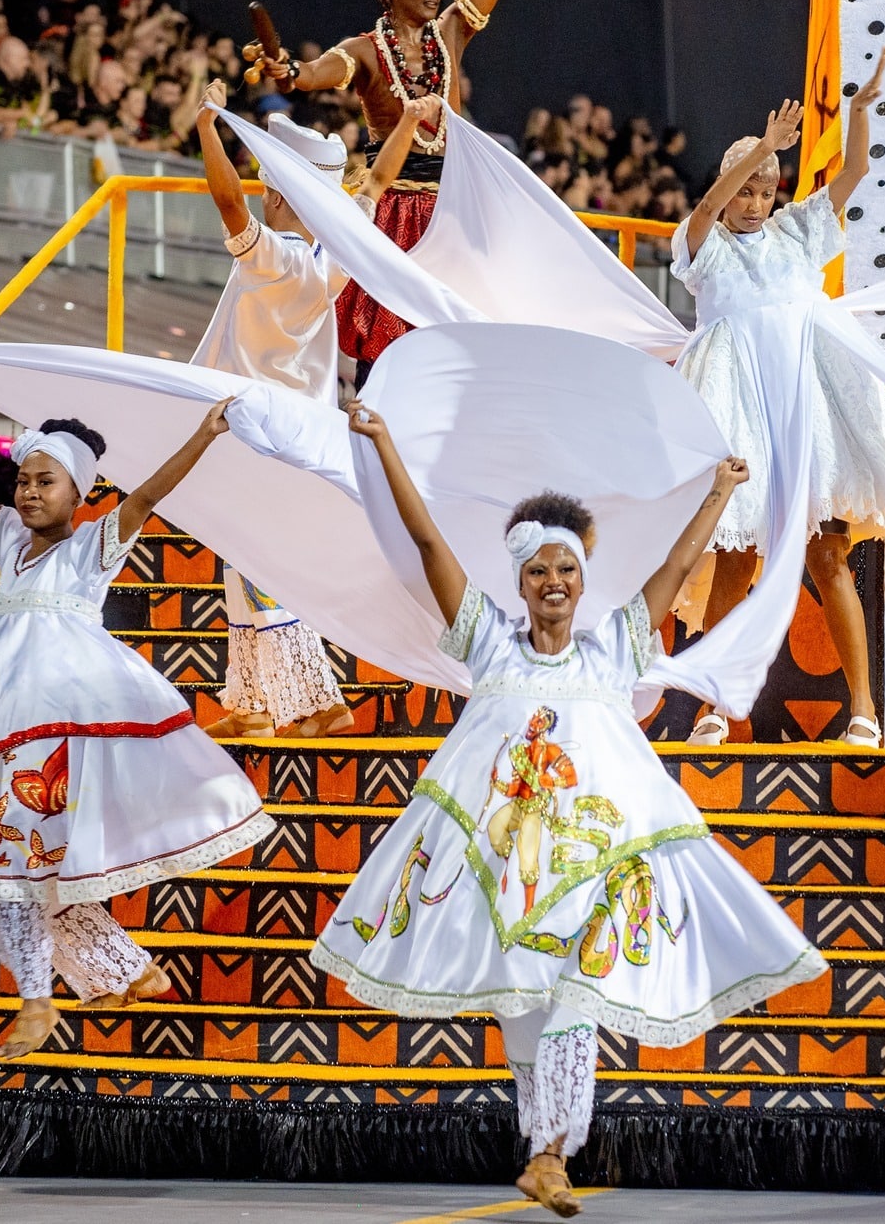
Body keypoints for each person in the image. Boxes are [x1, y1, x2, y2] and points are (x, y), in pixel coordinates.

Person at [313, 403, 824, 1216]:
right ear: (520, 582)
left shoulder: (617, 647)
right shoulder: (485, 640)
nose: (554, 582)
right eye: (540, 571)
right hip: (507, 866)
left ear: (584, 580)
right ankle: (543, 1145)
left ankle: (551, 1153)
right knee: (527, 1013)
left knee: (575, 1006)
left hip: (598, 865)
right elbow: (428, 543)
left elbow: (675, 563)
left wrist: (720, 494)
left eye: (568, 571)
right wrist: (382, 448)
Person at [0, 361, 273, 1059]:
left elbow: (152, 491)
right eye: (25, 480)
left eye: (47, 481)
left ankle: (50, 996)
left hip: (60, 728)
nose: (30, 492)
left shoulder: (94, 546)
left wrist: (204, 434)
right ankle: (115, 973)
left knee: (21, 867)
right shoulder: (6, 539)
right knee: (10, 871)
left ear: (81, 490)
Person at [672, 62, 885, 749]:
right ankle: (715, 707)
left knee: (828, 555)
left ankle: (864, 710)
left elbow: (853, 173)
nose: (753, 200)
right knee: (735, 561)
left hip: (806, 415)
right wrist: (758, 147)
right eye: (744, 189)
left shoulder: (794, 235)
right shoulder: (708, 249)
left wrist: (861, 113)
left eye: (764, 188)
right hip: (745, 414)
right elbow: (701, 212)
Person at [187, 76, 424, 737]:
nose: (264, 188)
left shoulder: (280, 259)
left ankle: (318, 700)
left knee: (259, 559)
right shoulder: (334, 247)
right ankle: (254, 702)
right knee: (242, 555)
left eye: (273, 181)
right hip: (287, 426)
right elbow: (374, 184)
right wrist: (408, 120)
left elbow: (227, 203)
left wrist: (208, 127)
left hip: (260, 427)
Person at [246, 0, 539, 387]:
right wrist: (288, 71)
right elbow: (313, 76)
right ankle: (372, 431)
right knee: (384, 344)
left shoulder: (451, 32)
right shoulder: (365, 51)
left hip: (453, 207)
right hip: (392, 206)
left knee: (453, 339)